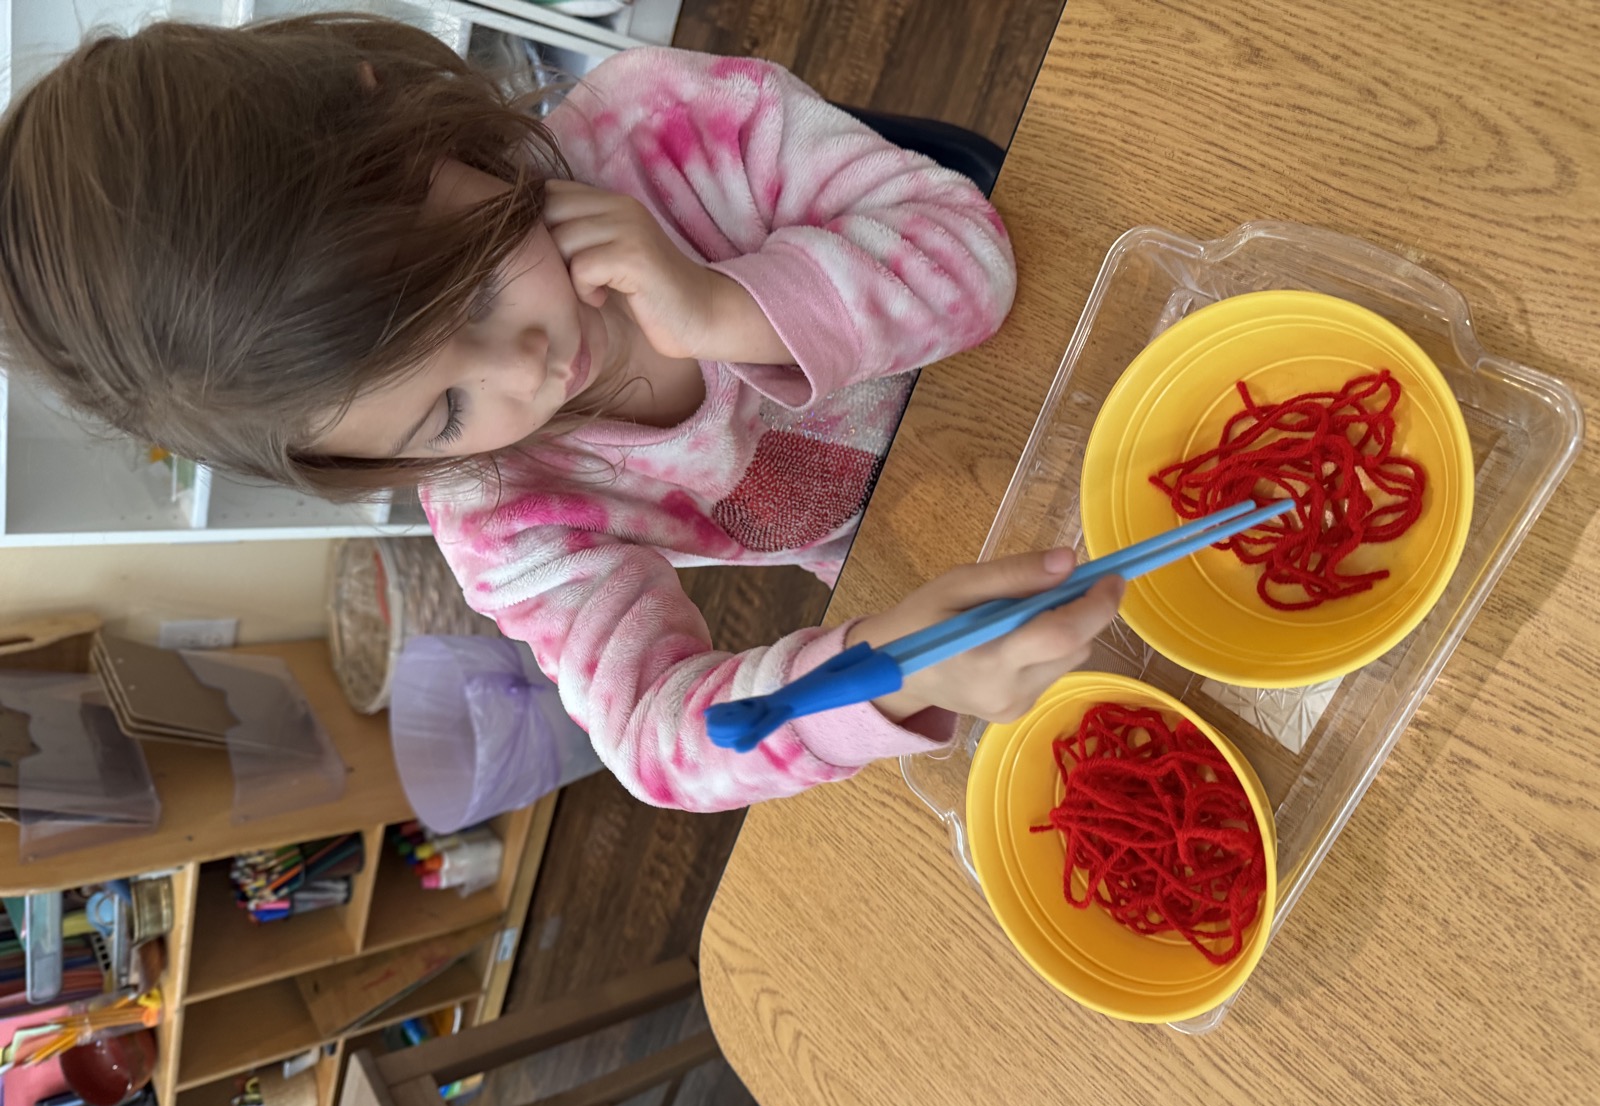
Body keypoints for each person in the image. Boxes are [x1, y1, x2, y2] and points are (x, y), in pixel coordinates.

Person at [0, 15, 1122, 812]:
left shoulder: (665, 132)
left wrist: (727, 306)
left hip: (1085, 360)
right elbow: (654, 739)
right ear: (355, 464)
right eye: (442, 409)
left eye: (478, 283)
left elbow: (970, 260)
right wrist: (897, 676)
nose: (529, 371)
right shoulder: (502, 513)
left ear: (400, 119)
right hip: (973, 551)